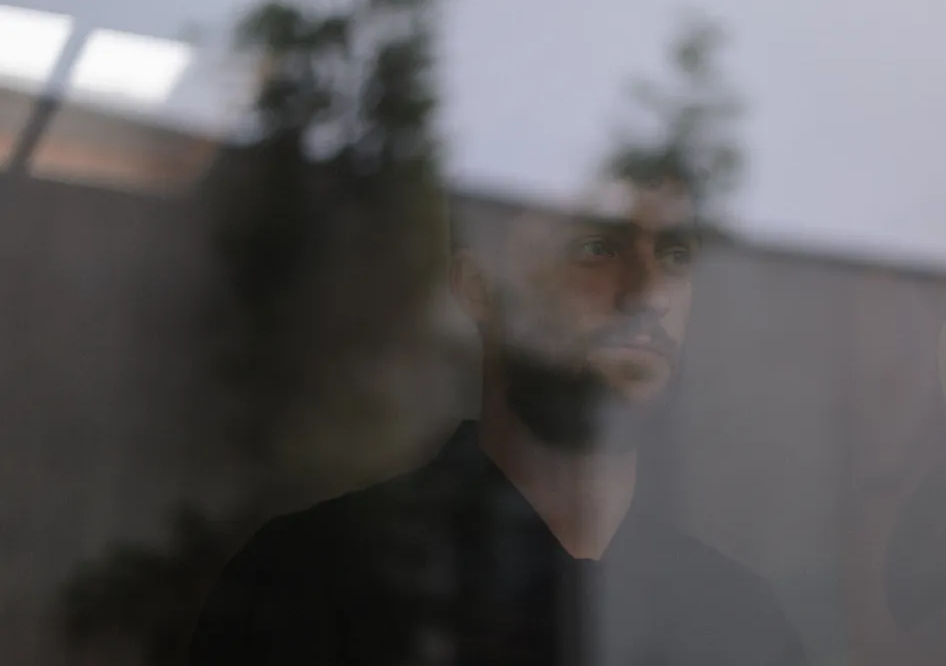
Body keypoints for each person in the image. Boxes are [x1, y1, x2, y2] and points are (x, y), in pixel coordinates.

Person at [188, 168, 804, 665]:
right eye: (597, 248)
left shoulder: (738, 623)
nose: (647, 292)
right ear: (477, 286)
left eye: (674, 255)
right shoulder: (318, 580)